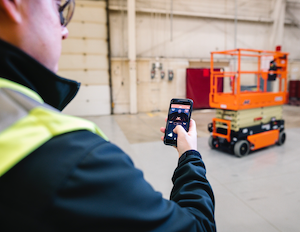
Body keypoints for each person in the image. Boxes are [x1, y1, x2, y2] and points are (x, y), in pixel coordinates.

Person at [0, 0, 216, 231]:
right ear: (13, 4)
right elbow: (197, 226)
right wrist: (189, 155)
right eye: (59, 10)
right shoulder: (76, 160)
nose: (65, 31)